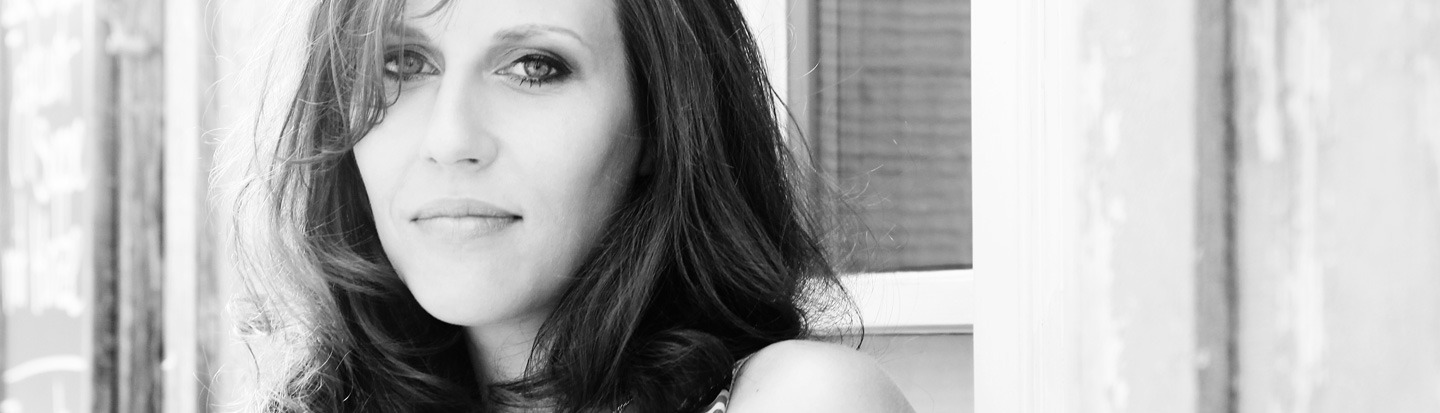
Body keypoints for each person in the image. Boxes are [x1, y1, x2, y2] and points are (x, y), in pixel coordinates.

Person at [226, 0, 915, 411]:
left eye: (535, 67)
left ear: (660, 121)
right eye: (402, 63)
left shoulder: (802, 399)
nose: (449, 139)